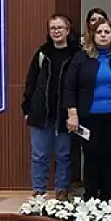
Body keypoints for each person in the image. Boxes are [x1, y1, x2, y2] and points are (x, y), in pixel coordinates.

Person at [63, 17, 111, 200]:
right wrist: (72, 114)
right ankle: (91, 195)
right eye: (99, 32)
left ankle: (109, 196)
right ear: (93, 35)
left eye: (107, 32)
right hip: (89, 117)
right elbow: (70, 86)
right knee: (92, 156)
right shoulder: (81, 58)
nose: (103, 35)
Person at [21, 13, 79, 199]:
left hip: (65, 114)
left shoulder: (76, 54)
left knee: (63, 155)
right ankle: (39, 190)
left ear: (67, 30)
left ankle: (61, 190)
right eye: (53, 28)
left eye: (60, 28)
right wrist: (27, 108)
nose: (56, 31)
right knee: (39, 155)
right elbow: (31, 82)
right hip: (41, 112)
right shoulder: (42, 53)